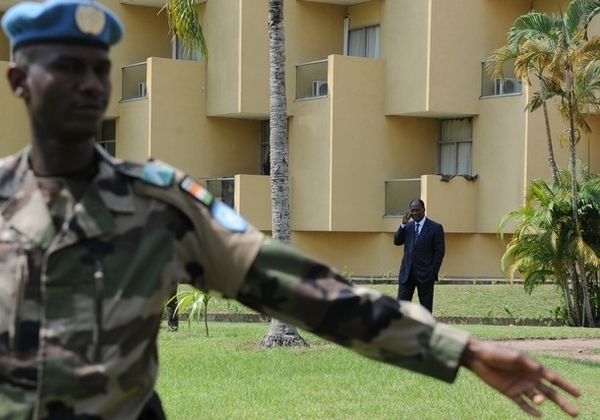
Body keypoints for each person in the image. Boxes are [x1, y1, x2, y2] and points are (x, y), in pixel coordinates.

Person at [0, 1, 580, 418]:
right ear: (20, 79)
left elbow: (303, 288)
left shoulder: (159, 203)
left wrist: (461, 349)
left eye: (100, 69)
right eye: (68, 68)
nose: (90, 85)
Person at [394, 198, 445, 312]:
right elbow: (397, 241)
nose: (415, 213)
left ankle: (425, 329)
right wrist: (403, 224)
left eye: (417, 210)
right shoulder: (407, 227)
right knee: (401, 308)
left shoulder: (435, 228)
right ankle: (401, 329)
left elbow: (439, 252)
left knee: (425, 310)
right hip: (407, 275)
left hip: (425, 275)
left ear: (423, 210)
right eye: (412, 210)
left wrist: (433, 271)